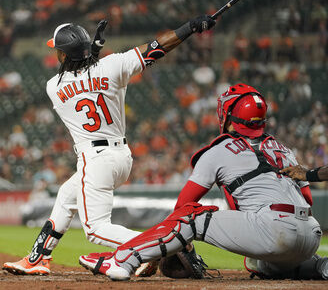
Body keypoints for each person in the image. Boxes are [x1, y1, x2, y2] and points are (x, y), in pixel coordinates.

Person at [3, 14, 216, 276]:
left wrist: (91, 51)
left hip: (95, 159)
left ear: (64, 55)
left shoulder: (53, 87)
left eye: (58, 50)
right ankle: (38, 258)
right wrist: (190, 28)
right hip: (121, 157)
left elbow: (80, 76)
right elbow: (156, 48)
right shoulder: (113, 66)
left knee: (95, 230)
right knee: (66, 197)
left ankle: (167, 245)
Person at [79, 83, 328, 281]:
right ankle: (320, 265)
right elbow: (307, 200)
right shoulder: (285, 150)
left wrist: (169, 247)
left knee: (191, 217)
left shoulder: (218, 151)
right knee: (260, 264)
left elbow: (183, 208)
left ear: (229, 115)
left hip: (271, 229)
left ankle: (123, 261)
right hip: (310, 234)